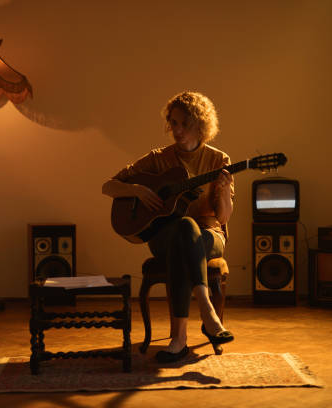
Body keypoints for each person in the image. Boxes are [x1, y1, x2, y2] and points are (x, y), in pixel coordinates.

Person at [102, 91, 235, 363]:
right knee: (182, 228)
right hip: (165, 235)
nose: (176, 130)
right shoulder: (158, 159)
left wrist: (222, 192)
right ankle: (207, 311)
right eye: (173, 123)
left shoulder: (218, 160)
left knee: (186, 233)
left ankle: (179, 340)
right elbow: (108, 186)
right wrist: (137, 190)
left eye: (184, 123)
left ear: (200, 125)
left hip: (210, 235)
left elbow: (222, 218)